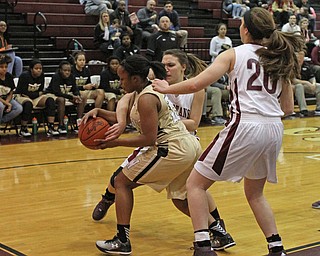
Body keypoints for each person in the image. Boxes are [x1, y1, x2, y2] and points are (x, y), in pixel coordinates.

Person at [152, 7, 305, 256]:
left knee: (195, 184)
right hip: (274, 128)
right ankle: (276, 248)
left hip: (246, 124)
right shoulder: (279, 57)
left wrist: (164, 88)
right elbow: (287, 108)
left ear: (245, 29)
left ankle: (203, 246)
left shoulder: (234, 54)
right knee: (255, 193)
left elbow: (197, 83)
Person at [92, 50, 236, 251]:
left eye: (123, 79)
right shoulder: (146, 90)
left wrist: (116, 143)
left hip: (171, 147)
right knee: (180, 198)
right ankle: (220, 233)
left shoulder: (146, 97)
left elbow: (149, 139)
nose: (120, 83)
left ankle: (122, 240)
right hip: (189, 145)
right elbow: (126, 110)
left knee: (121, 182)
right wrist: (99, 112)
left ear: (135, 78)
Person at [15, 59, 59, 137]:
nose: (39, 70)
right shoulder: (24, 76)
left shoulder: (42, 75)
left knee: (50, 100)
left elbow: (41, 90)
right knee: (28, 104)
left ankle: (51, 127)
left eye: (40, 69)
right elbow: (22, 91)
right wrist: (36, 94)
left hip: (35, 97)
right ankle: (23, 128)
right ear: (31, 69)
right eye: (36, 68)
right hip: (22, 96)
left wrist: (37, 94)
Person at [45, 61, 84, 134]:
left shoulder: (72, 77)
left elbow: (75, 89)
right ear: (60, 70)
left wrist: (77, 95)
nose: (67, 72)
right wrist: (71, 97)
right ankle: (61, 125)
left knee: (81, 98)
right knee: (61, 100)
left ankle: (78, 122)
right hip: (52, 95)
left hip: (66, 94)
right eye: (65, 70)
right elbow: (56, 92)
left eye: (69, 71)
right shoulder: (56, 77)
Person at [71, 52, 105, 119]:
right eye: (80, 60)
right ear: (75, 61)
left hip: (86, 91)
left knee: (101, 92)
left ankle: (95, 113)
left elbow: (88, 83)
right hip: (76, 92)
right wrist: (83, 87)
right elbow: (71, 87)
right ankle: (79, 118)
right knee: (83, 96)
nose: (82, 62)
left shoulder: (86, 70)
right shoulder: (72, 71)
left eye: (83, 60)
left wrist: (93, 86)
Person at [291, 50, 320, 117]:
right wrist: (306, 83)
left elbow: (312, 77)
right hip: (292, 86)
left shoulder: (306, 66)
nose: (300, 59)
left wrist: (313, 84)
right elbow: (293, 80)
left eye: (302, 57)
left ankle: (318, 109)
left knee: (318, 86)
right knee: (299, 86)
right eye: (298, 57)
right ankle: (303, 110)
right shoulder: (290, 66)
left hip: (305, 85)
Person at [0, 54, 23, 125]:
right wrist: (7, 104)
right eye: (1, 67)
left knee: (19, 108)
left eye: (6, 67)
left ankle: (2, 121)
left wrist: (7, 101)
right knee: (0, 106)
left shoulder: (9, 77)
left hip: (7, 98)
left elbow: (11, 92)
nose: (4, 69)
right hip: (0, 100)